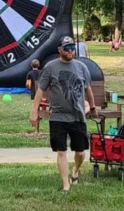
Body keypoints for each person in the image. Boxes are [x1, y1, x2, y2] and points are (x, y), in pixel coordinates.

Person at [30, 36, 96, 193]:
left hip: (77, 116)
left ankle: (76, 170)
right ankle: (66, 184)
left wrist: (92, 107)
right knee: (61, 151)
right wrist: (34, 111)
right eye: (67, 48)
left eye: (72, 47)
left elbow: (88, 89)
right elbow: (40, 90)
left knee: (80, 152)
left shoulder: (81, 67)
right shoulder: (50, 67)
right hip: (58, 116)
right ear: (59, 50)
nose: (70, 50)